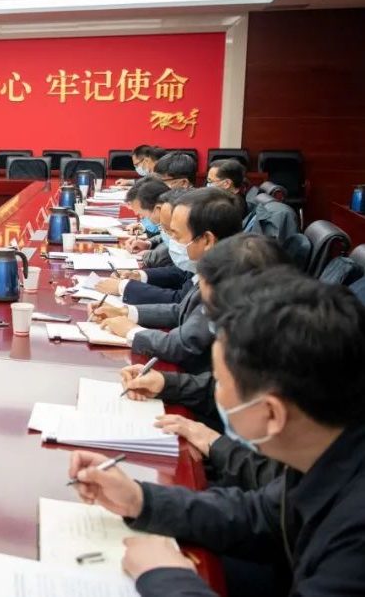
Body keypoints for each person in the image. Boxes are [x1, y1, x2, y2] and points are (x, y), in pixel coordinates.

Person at [68, 269, 365, 597]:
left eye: (220, 383)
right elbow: (259, 515)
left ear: (272, 414)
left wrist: (167, 577)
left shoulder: (354, 541)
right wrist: (141, 500)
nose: (215, 392)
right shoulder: (327, 451)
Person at [120, 235, 292, 491]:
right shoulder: (262, 338)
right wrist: (166, 383)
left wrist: (214, 442)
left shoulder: (286, 362)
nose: (207, 320)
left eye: (212, 311)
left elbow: (267, 493)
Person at [91, 188, 243, 372]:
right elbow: (181, 310)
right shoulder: (213, 266)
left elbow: (184, 345)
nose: (171, 241)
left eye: (176, 235)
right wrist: (125, 311)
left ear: (207, 240)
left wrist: (132, 331)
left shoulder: (227, 282)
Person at [207, 158, 255, 228]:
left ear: (227, 183)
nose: (208, 185)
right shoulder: (228, 197)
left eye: (210, 181)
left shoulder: (231, 206)